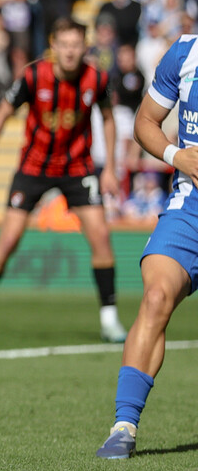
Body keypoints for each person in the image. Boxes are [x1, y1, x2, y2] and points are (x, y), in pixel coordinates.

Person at [0, 18, 127, 343]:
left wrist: (110, 169)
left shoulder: (97, 77)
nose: (69, 51)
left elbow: (108, 119)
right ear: (54, 46)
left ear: (84, 47)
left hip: (77, 168)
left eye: (75, 45)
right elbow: (1, 114)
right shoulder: (33, 75)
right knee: (8, 240)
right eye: (64, 45)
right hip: (33, 167)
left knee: (101, 237)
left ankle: (109, 319)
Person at [94, 31, 198, 459]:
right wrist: (178, 156)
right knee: (156, 296)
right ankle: (124, 425)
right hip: (190, 206)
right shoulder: (185, 51)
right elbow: (144, 123)